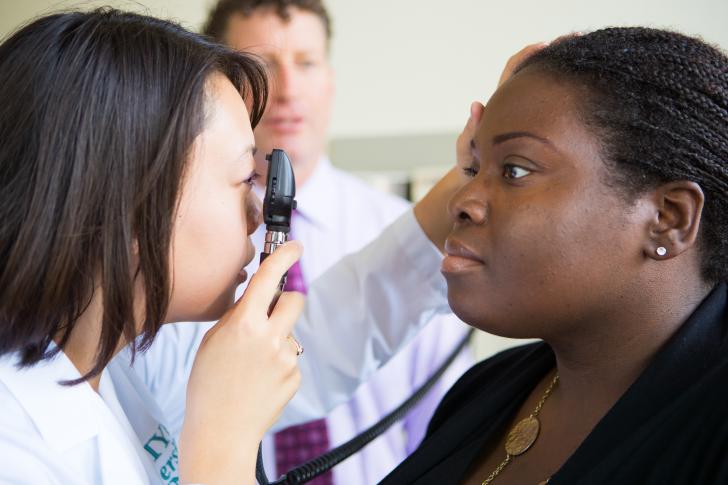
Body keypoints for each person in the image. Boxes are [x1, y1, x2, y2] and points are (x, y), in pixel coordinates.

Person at [0, 9, 473, 484]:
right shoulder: (16, 453)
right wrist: (224, 444)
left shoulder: (118, 364)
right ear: (132, 203)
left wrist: (473, 177)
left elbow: (312, 347)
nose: (257, 213)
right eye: (244, 178)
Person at [381, 27, 728, 484]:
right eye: (473, 167)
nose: (460, 202)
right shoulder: (484, 390)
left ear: (668, 217)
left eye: (515, 170)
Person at [186, 1, 473, 482]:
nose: (287, 90)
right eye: (260, 66)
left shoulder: (408, 233)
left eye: (306, 63)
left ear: (330, 80)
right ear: (219, 85)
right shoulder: (186, 249)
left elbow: (443, 423)